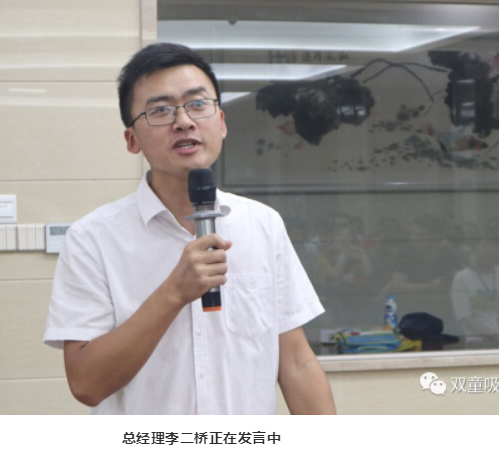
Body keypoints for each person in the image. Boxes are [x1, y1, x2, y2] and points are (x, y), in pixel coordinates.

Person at [44, 43, 336, 415]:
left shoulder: (263, 224)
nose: (183, 121)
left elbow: (296, 363)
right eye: (160, 110)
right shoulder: (92, 239)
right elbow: (86, 383)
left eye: (197, 104)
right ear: (132, 140)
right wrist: (174, 292)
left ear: (222, 123)